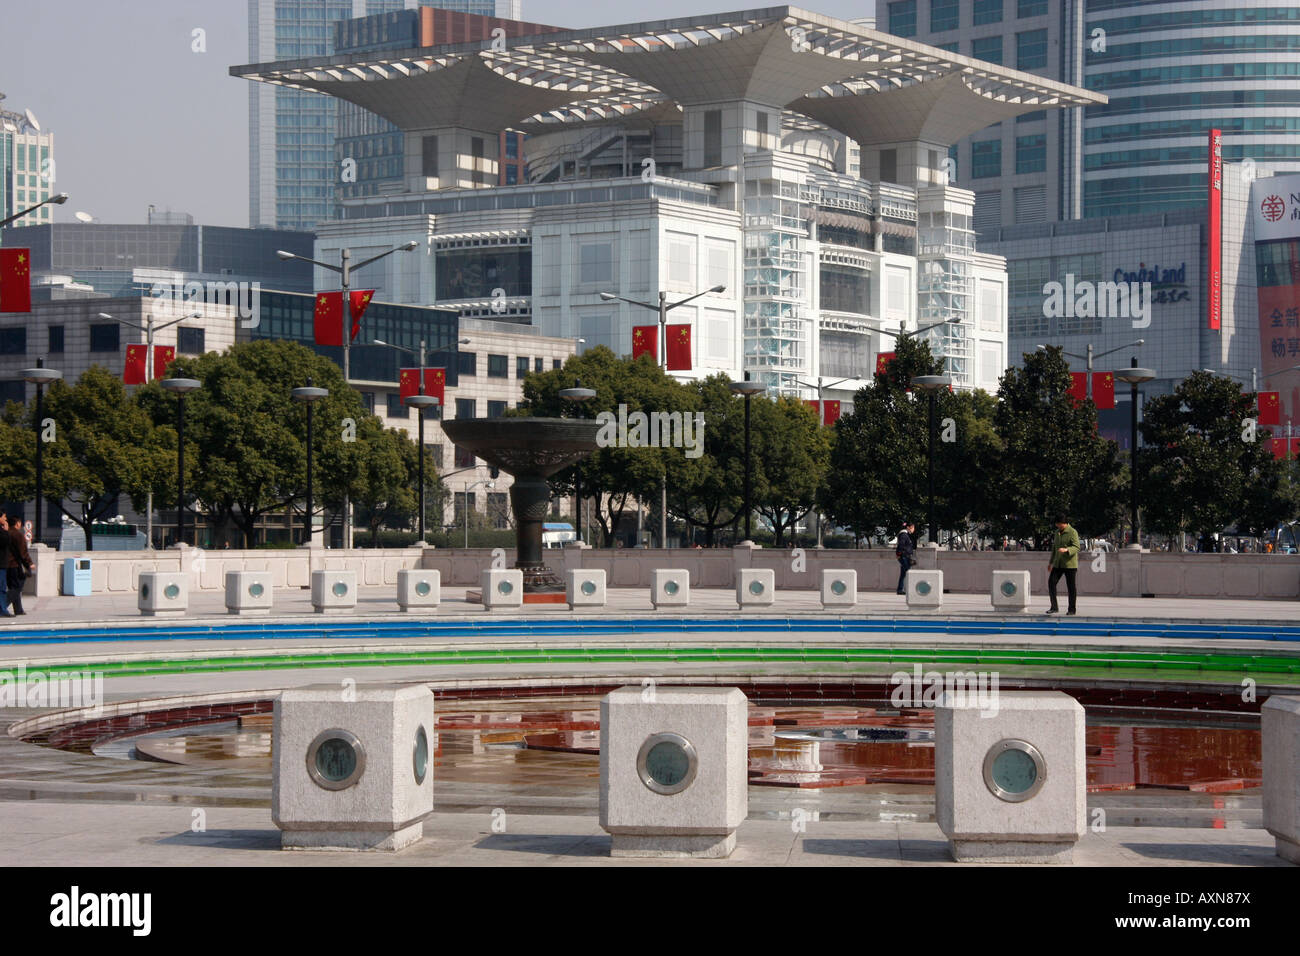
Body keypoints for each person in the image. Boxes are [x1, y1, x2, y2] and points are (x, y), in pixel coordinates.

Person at [1046, 513, 1080, 615]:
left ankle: (1071, 609)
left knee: (1071, 587)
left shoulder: (1072, 532)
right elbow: (1054, 549)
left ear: (1064, 523)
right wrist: (1050, 562)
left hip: (1070, 565)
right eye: (1057, 524)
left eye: (1059, 524)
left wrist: (1066, 549)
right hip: (1058, 564)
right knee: (1051, 583)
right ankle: (1054, 607)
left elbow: (1077, 547)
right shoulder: (1057, 533)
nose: (1058, 526)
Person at [5, 511, 32, 616]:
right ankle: (3, 605)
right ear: (17, 523)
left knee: (13, 586)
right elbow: (23, 551)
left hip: (7, 564)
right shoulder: (17, 534)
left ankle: (18, 609)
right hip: (15, 564)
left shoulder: (7, 533)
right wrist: (29, 563)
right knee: (17, 588)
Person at [895, 521, 916, 595]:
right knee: (908, 572)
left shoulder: (905, 535)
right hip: (904, 556)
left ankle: (900, 589)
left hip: (905, 556)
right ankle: (911, 589)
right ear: (908, 527)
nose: (913, 529)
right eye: (913, 528)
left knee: (903, 574)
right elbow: (901, 545)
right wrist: (899, 554)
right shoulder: (904, 535)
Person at [0, 512, 13, 617]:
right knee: (2, 588)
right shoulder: (2, 532)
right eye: (4, 517)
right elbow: (6, 542)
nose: (5, 519)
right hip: (1, 565)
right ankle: (2, 610)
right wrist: (6, 531)